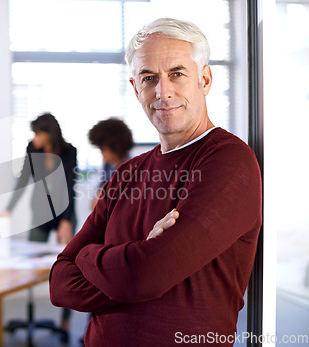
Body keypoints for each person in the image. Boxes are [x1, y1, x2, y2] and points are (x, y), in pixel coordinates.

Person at [49, 18, 262, 346]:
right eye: (149, 78)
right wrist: (140, 255)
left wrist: (89, 256)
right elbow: (60, 283)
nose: (163, 92)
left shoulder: (228, 161)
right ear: (136, 89)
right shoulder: (128, 173)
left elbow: (145, 277)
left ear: (204, 79)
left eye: (177, 73)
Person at [0, 112, 77, 335]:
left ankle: (65, 321)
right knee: (31, 262)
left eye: (38, 133)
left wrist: (65, 221)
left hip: (65, 212)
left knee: (69, 266)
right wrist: (9, 208)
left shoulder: (69, 151)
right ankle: (30, 316)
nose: (34, 138)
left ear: (48, 133)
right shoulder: (32, 149)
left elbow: (70, 188)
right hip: (40, 213)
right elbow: (23, 179)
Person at [88, 117, 134, 209]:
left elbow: (97, 205)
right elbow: (94, 205)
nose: (102, 153)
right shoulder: (109, 167)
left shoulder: (129, 170)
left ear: (114, 147)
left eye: (102, 149)